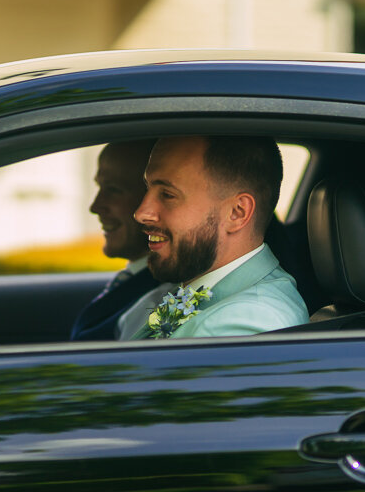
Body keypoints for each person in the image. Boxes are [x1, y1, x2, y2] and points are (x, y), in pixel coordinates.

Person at [117, 135, 308, 340]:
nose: (141, 213)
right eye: (148, 188)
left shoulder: (245, 324)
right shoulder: (205, 287)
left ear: (237, 213)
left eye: (167, 194)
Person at [69, 140, 161, 341]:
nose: (95, 206)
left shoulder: (164, 302)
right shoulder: (136, 283)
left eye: (114, 189)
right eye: (100, 187)